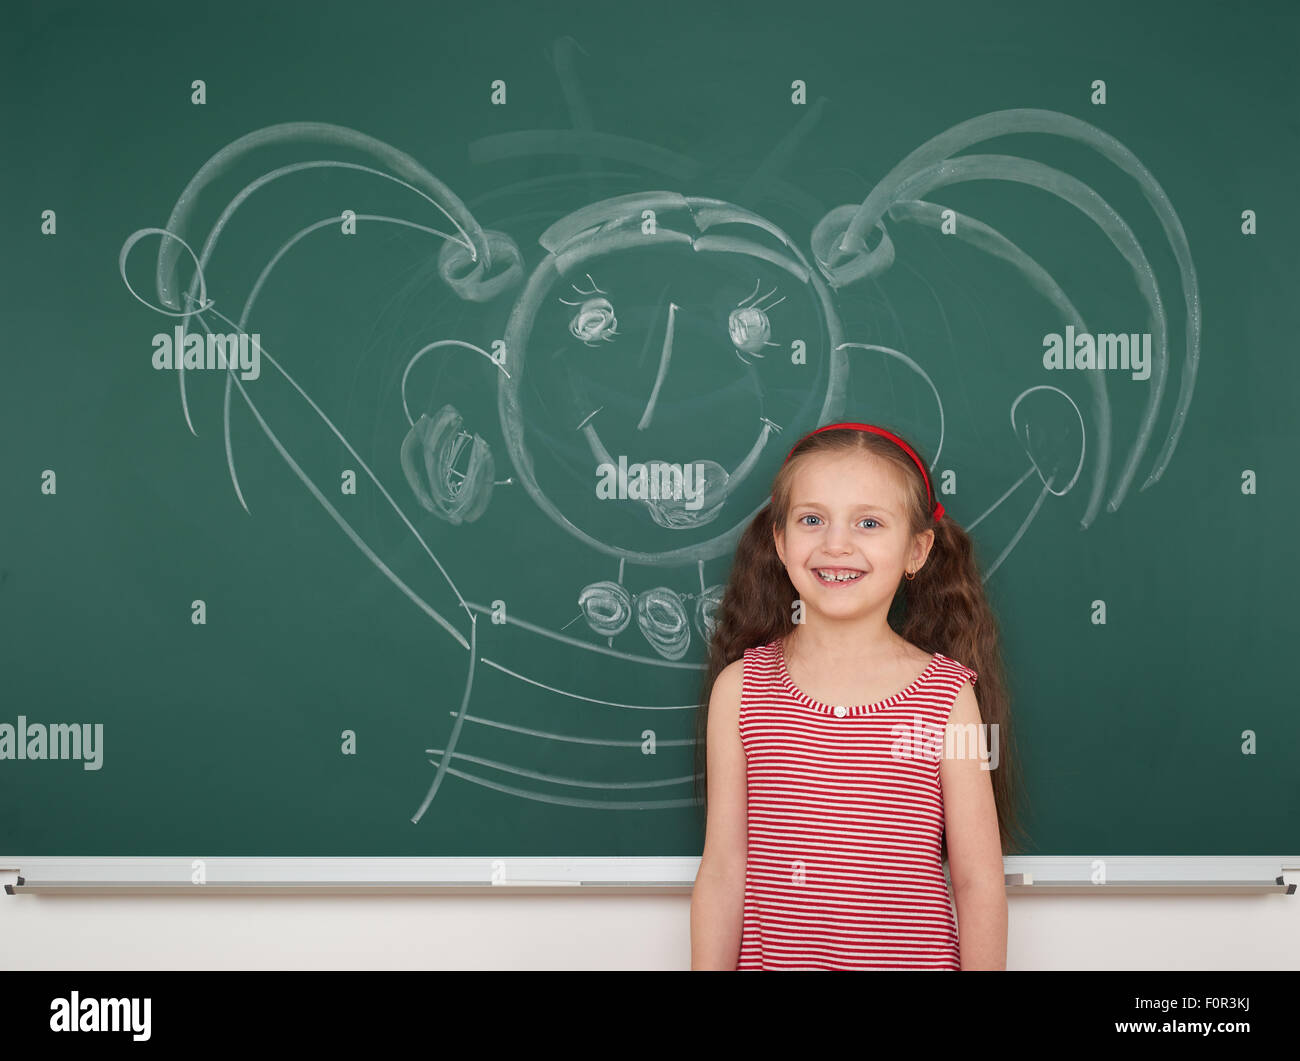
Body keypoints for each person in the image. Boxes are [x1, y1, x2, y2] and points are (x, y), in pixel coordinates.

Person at [690, 422, 1026, 970]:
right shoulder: (742, 690)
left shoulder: (948, 697)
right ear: (779, 541)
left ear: (918, 549)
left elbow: (978, 878)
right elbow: (725, 870)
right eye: (812, 520)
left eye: (869, 522)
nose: (836, 544)